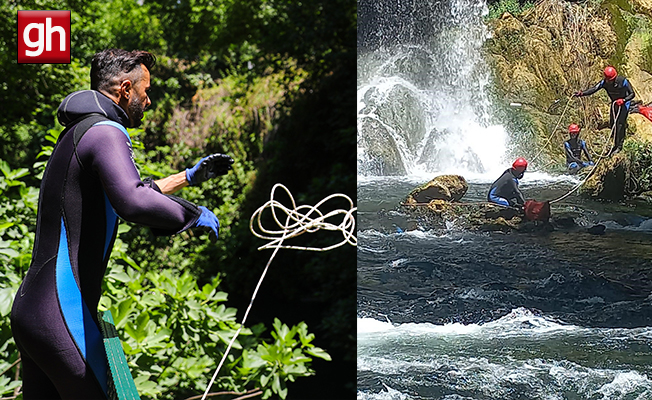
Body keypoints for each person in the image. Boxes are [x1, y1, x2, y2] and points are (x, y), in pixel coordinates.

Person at [10, 49, 234, 399]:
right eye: (145, 90)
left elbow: (119, 196)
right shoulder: (106, 131)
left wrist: (186, 177)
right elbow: (132, 201)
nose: (149, 100)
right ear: (125, 89)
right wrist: (192, 214)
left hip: (32, 309)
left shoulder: (80, 131)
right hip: (61, 314)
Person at [573, 66, 635, 155]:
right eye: (607, 80)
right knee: (612, 123)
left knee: (620, 124)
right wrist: (582, 93)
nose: (608, 82)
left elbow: (632, 94)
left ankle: (619, 146)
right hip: (615, 104)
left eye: (610, 80)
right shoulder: (604, 83)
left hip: (624, 104)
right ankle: (615, 141)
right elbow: (594, 89)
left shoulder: (623, 81)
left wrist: (624, 100)